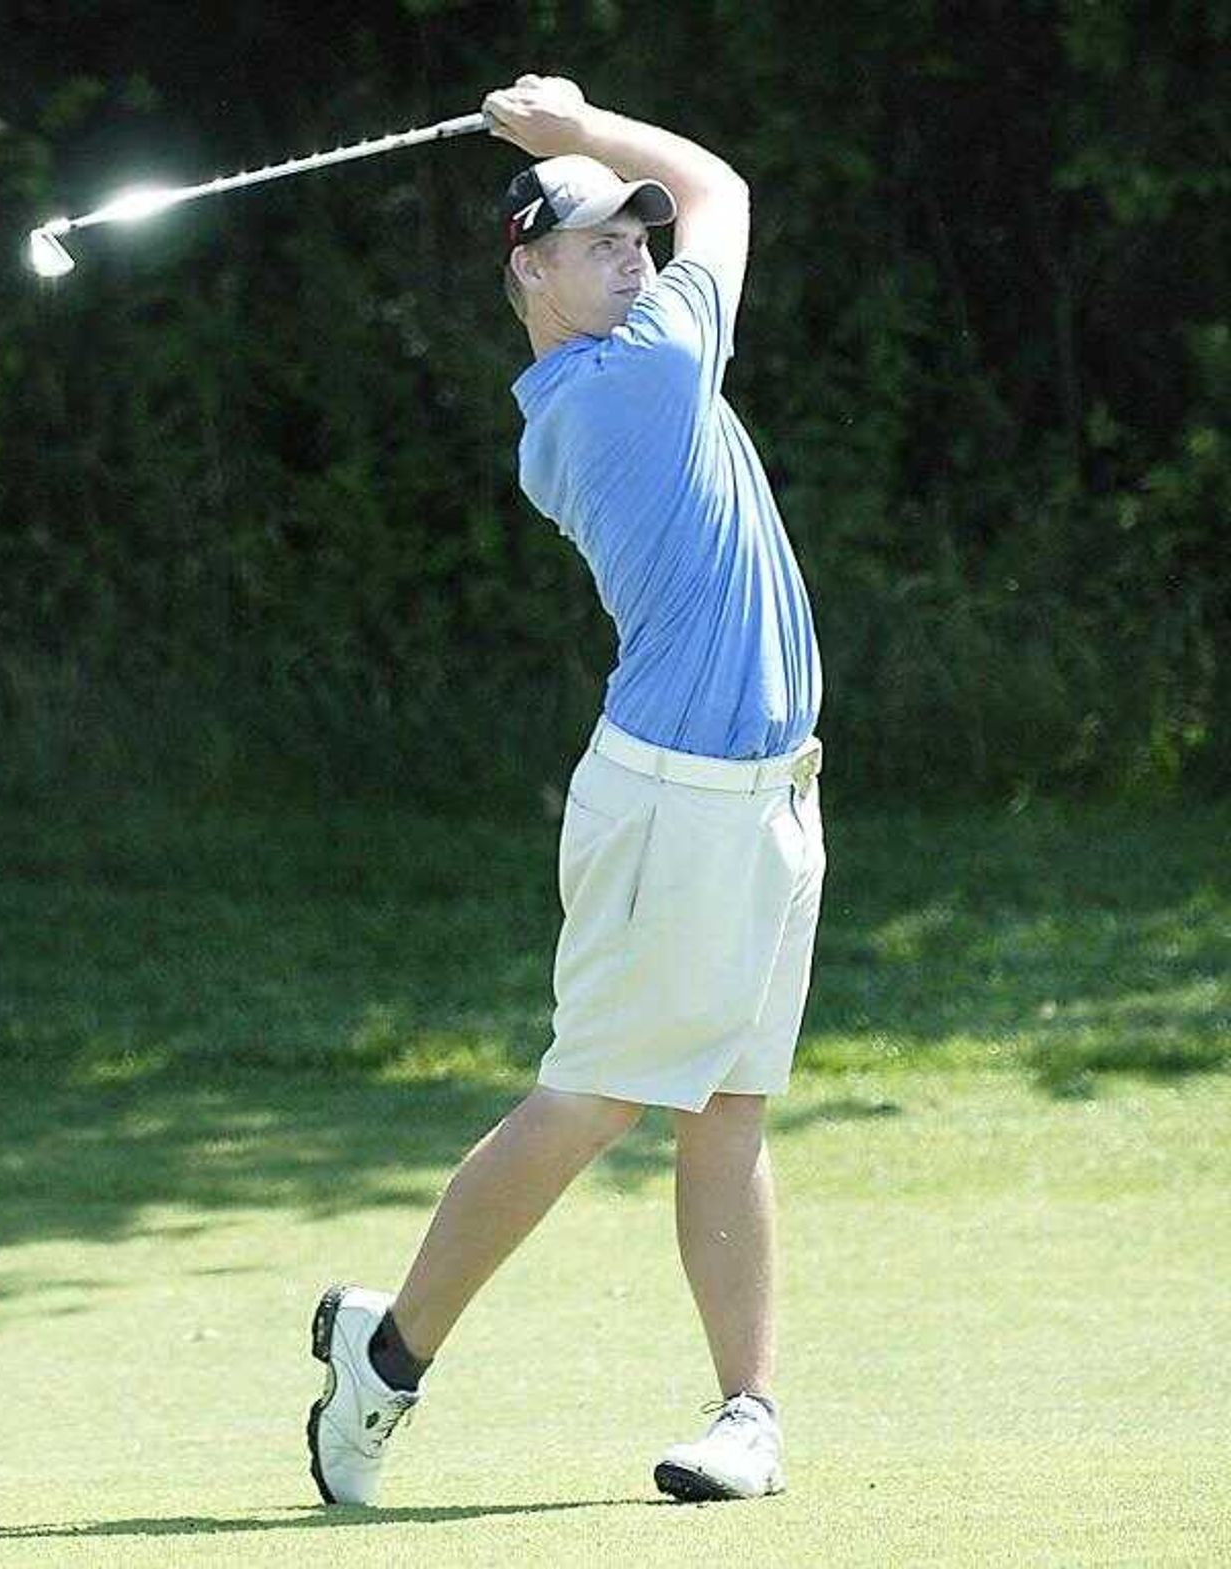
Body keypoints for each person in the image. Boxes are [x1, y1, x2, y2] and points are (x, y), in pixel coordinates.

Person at [305, 76, 827, 1507]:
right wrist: (585, 126)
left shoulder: (629, 359)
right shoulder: (633, 382)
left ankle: (747, 1414)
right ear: (529, 272)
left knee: (725, 1106)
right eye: (601, 239)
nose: (638, 252)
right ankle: (389, 1357)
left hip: (767, 794)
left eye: (635, 241)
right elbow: (723, 184)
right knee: (593, 1093)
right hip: (682, 803)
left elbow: (694, 212)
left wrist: (585, 154)